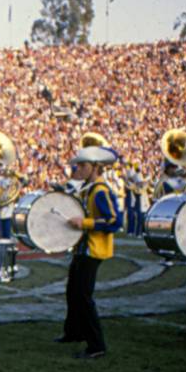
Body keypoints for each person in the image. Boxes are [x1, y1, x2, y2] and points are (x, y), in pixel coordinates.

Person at [56, 146, 122, 359]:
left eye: (83, 165)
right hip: (82, 248)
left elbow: (114, 221)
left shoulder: (101, 191)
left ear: (95, 167)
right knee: (73, 292)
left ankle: (96, 345)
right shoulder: (89, 188)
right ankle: (74, 332)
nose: (79, 168)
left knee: (83, 296)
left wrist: (84, 223)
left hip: (93, 249)